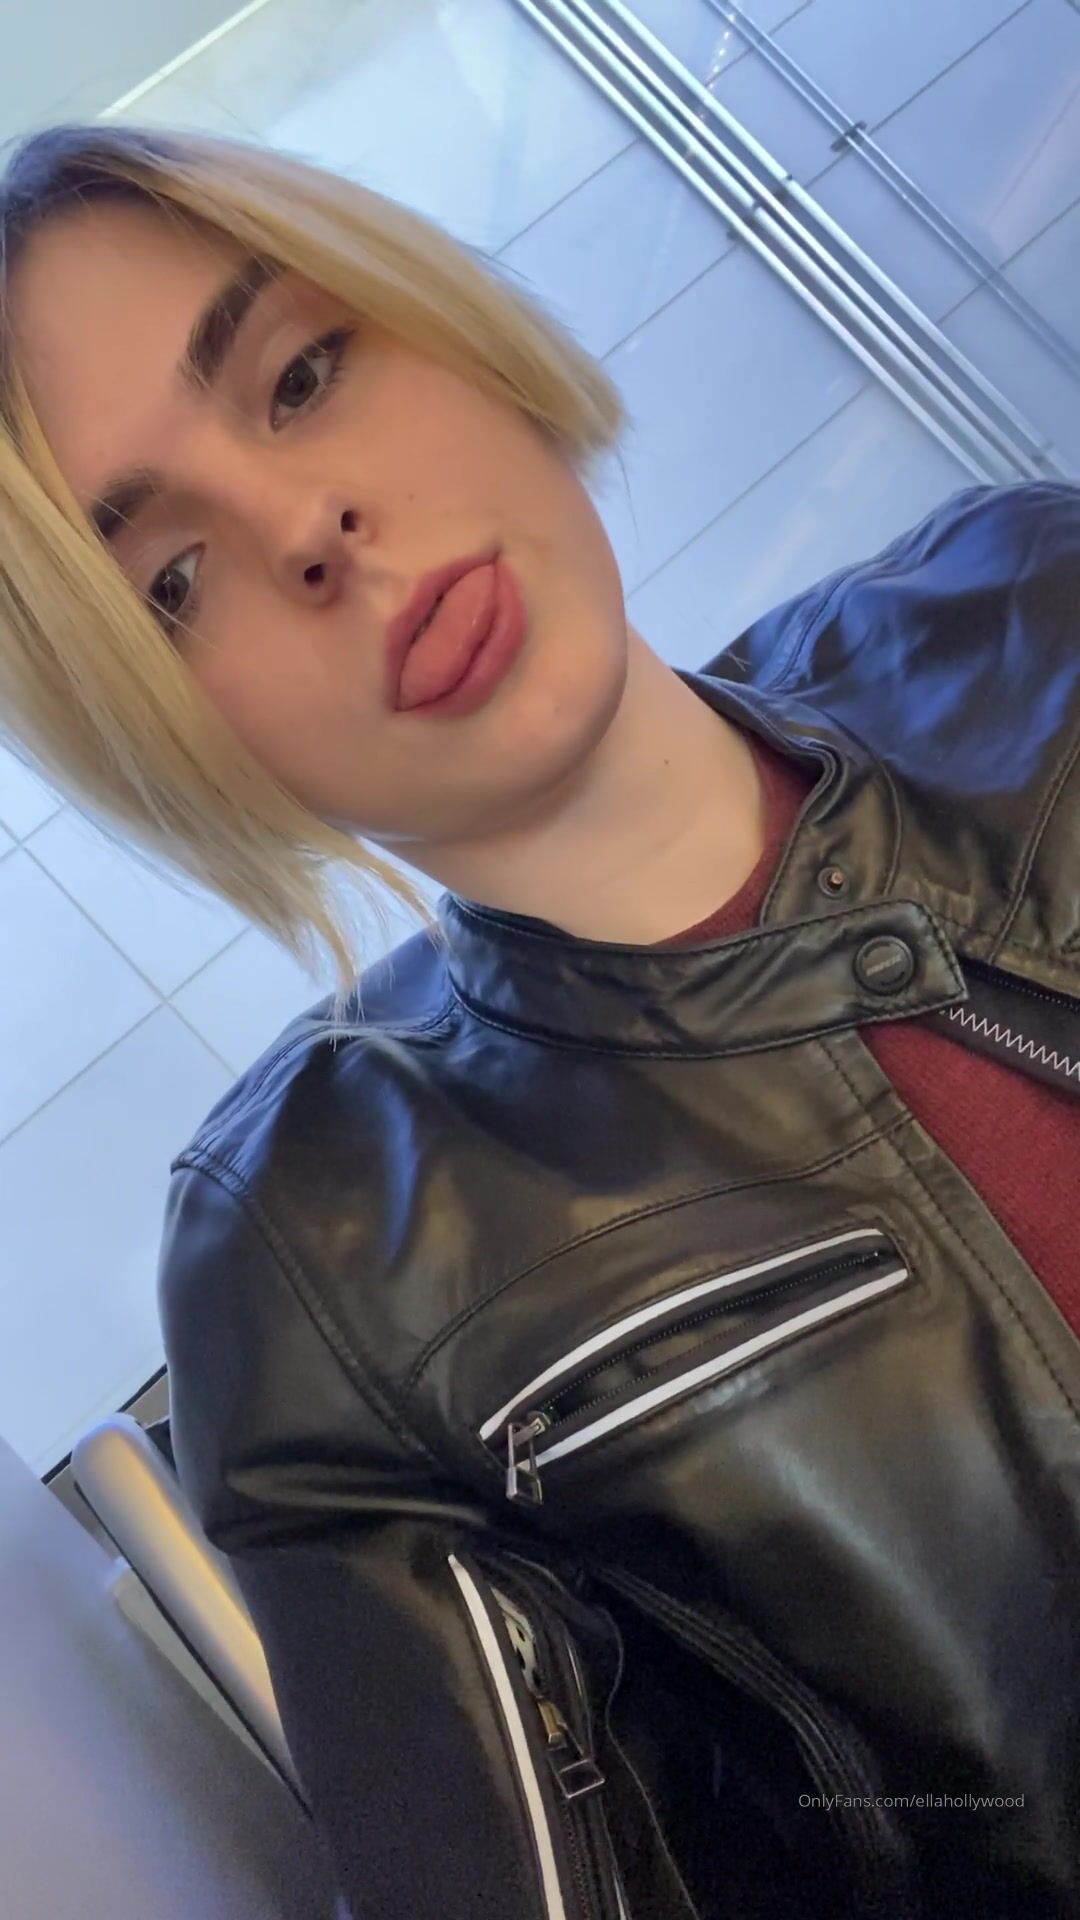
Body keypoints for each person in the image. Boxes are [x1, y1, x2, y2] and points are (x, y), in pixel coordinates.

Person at [0, 120, 1078, 1920]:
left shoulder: (1023, 598)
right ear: (158, 732)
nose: (305, 529)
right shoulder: (321, 1267)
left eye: (302, 375)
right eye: (170, 583)